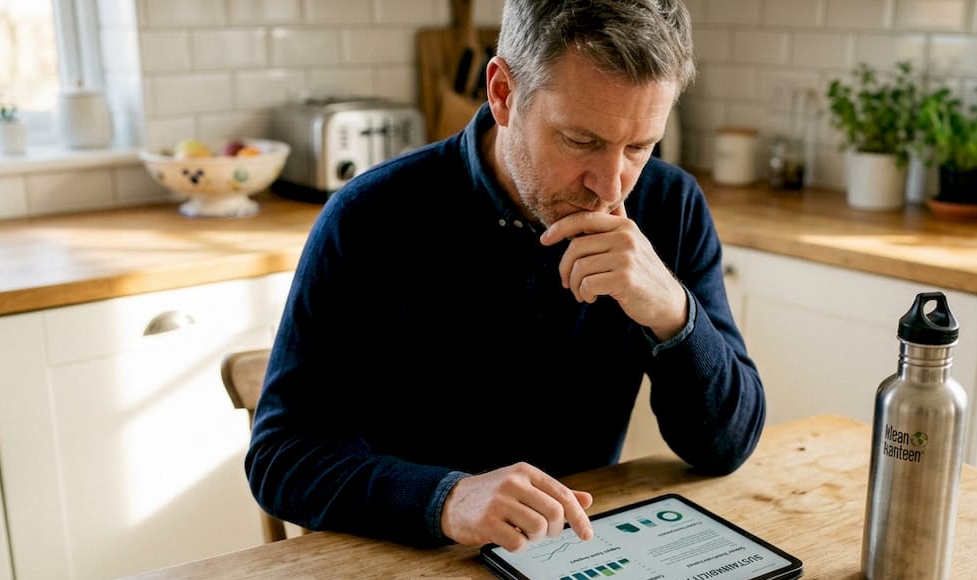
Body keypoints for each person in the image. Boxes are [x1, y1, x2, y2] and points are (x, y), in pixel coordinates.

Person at [247, 0, 765, 552]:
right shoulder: (370, 216)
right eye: (580, 141)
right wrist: (446, 498)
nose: (611, 186)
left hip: (577, 557)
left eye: (639, 147)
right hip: (411, 564)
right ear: (502, 94)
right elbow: (283, 457)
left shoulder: (671, 206)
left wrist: (672, 313)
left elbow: (726, 446)